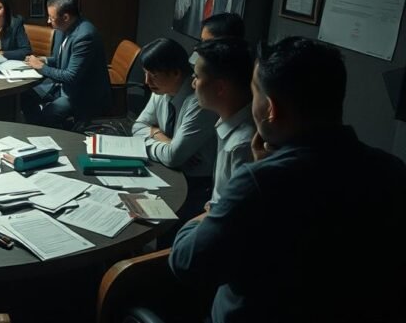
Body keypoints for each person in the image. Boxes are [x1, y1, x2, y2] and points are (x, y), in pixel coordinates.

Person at [170, 38, 406, 323]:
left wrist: (207, 214)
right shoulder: (392, 169)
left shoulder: (259, 184)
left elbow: (187, 263)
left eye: (253, 92)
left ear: (270, 109)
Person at [130, 38, 218, 227]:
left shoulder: (198, 102)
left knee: (152, 223)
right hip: (165, 169)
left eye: (152, 75)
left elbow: (173, 157)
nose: (146, 82)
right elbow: (137, 127)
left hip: (194, 183)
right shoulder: (160, 90)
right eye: (145, 74)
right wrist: (163, 137)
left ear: (176, 73)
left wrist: (151, 140)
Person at [21, 0, 111, 129]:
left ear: (66, 17)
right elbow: (60, 60)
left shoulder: (84, 36)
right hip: (62, 87)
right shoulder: (63, 28)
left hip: (81, 95)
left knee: (47, 116)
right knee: (23, 95)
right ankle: (37, 127)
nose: (48, 22)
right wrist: (44, 60)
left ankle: (47, 131)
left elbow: (71, 76)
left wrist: (41, 67)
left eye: (51, 18)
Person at [190, 38, 254, 210]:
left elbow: (235, 213)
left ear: (220, 88)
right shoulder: (227, 123)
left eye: (197, 77)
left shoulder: (242, 145)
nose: (193, 84)